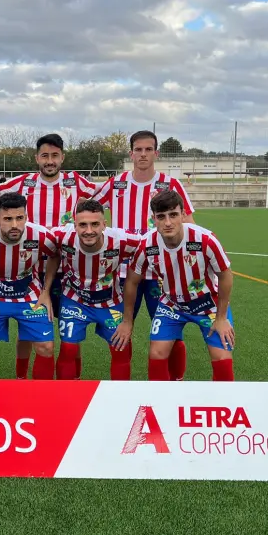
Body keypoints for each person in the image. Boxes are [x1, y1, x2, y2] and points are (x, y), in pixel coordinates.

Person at [92, 130, 196, 381]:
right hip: (123, 273)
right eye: (138, 149)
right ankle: (121, 389)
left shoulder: (170, 185)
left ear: (156, 153)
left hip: (161, 274)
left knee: (171, 333)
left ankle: (176, 383)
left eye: (148, 149)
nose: (143, 154)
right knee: (120, 332)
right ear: (131, 153)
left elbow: (189, 223)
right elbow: (90, 211)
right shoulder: (116, 183)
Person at [0, 133, 99, 380]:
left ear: (62, 157)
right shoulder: (23, 183)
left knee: (69, 332)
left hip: (70, 270)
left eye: (55, 155)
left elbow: (107, 199)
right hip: (31, 268)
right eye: (45, 155)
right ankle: (22, 378)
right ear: (37, 158)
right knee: (27, 327)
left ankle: (72, 381)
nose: (50, 160)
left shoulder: (78, 184)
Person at [112, 191, 235, 381]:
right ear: (153, 219)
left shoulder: (205, 239)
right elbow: (131, 281)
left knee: (222, 360)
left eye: (173, 215)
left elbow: (225, 275)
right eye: (161, 217)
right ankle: (160, 402)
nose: (168, 223)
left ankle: (221, 404)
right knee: (157, 354)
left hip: (208, 304)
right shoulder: (147, 244)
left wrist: (221, 317)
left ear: (183, 214)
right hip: (172, 305)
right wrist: (127, 321)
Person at [0, 192, 59, 380]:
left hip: (30, 294)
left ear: (26, 217)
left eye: (20, 218)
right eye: (8, 219)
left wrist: (46, 291)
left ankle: (28, 387)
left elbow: (55, 255)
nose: (15, 225)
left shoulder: (40, 235)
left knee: (46, 347)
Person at [53, 200, 142, 380]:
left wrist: (127, 320)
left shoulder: (123, 241)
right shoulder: (60, 236)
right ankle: (69, 396)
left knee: (121, 349)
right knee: (68, 348)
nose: (89, 230)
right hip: (74, 299)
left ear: (104, 225)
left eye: (95, 224)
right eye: (82, 225)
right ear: (74, 224)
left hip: (110, 303)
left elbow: (154, 245)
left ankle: (120, 397)